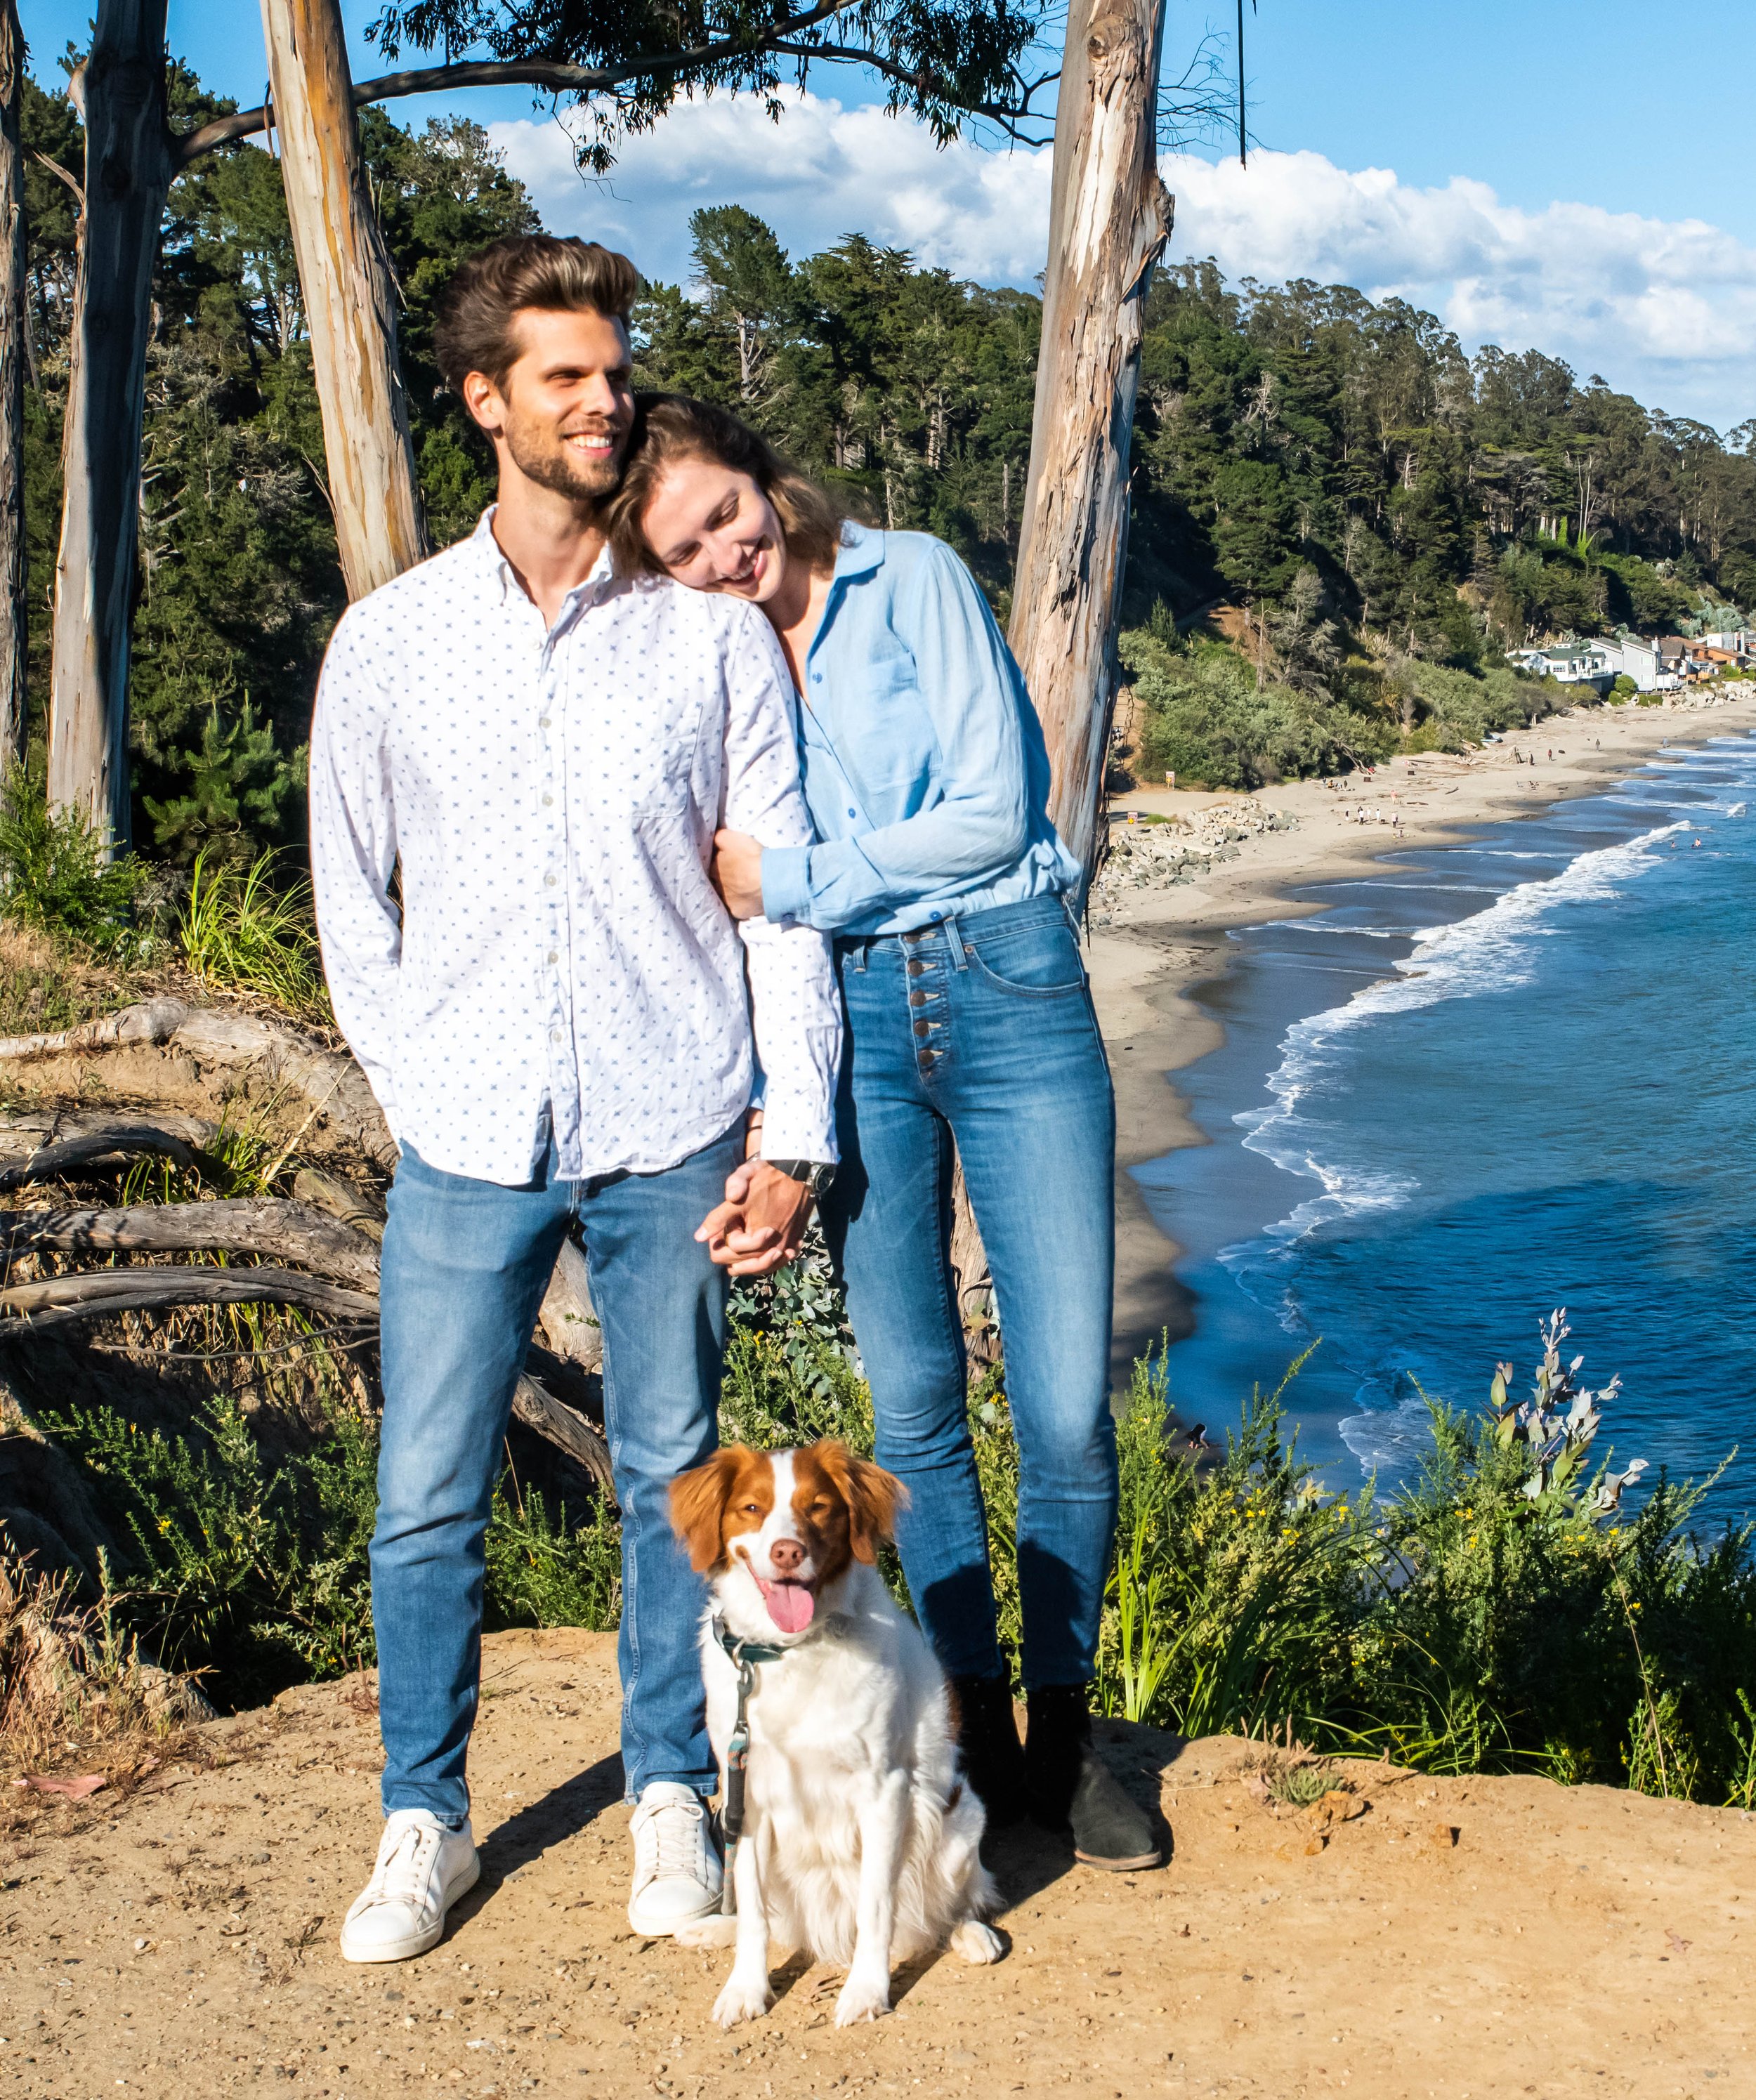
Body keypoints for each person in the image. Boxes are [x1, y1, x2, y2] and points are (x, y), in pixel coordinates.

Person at [308, 241, 841, 1963]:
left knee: (673, 1478)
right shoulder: (388, 642)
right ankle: (423, 1818)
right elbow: (350, 901)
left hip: (669, 1117)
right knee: (424, 1492)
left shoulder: (710, 637)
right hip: (463, 1136)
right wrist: (418, 1084)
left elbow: (777, 902)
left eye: (614, 371)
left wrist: (792, 1131)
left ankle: (670, 1795)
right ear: (487, 401)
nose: (605, 400)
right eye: (566, 376)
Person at [609, 395, 1161, 1872]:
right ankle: (971, 1722)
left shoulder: (907, 575)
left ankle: (1070, 1740)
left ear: (760, 474)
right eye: (683, 550)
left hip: (1008, 979)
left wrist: (792, 876)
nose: (725, 554)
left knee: (1062, 1404)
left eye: (726, 513)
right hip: (851, 1011)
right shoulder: (719, 661)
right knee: (913, 1399)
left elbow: (998, 811)